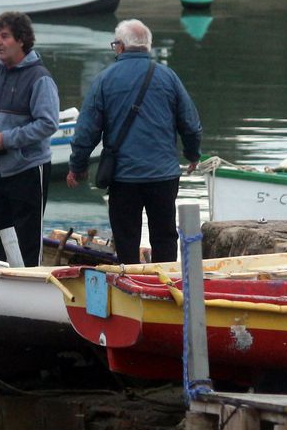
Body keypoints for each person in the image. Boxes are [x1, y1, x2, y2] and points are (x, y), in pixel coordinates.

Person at [66, 19, 202, 264]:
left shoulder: (104, 80)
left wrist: (77, 167)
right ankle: (166, 288)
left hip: (123, 178)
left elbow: (86, 131)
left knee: (126, 239)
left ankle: (130, 287)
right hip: (163, 176)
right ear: (147, 47)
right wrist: (193, 154)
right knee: (165, 236)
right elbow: (190, 123)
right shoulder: (168, 77)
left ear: (120, 46)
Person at [0, 11, 60, 265]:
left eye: (5, 36)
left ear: (21, 39)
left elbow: (47, 123)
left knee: (27, 244)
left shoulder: (40, 78)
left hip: (28, 171)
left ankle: (29, 294)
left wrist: (6, 140)